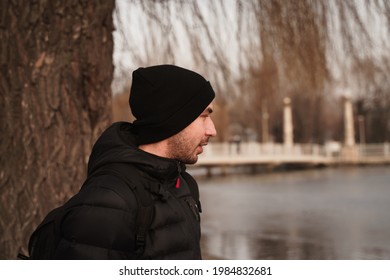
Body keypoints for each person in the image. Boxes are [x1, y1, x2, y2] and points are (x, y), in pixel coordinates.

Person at [49, 64, 217, 259]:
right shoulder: (108, 201)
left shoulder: (184, 184)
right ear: (173, 119)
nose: (212, 130)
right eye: (204, 116)